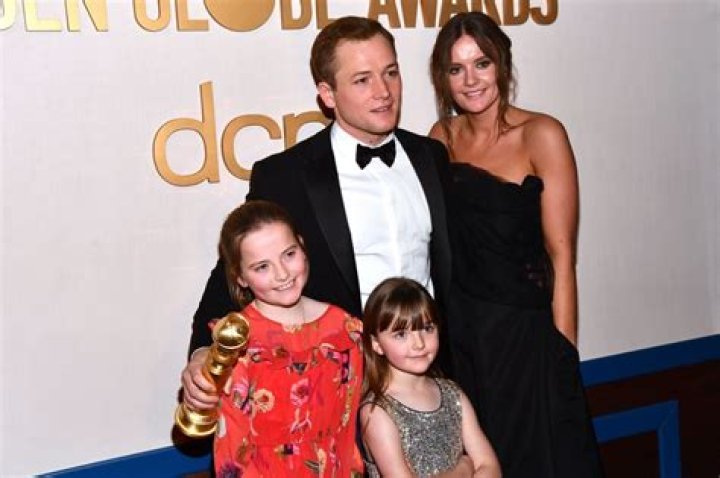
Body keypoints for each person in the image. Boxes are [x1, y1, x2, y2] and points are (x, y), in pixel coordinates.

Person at [182, 16, 452, 414]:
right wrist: (203, 353)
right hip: (338, 387)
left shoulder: (431, 156)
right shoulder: (286, 176)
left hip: (430, 377)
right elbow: (234, 270)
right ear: (328, 94)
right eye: (362, 80)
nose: (383, 92)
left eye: (391, 73)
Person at [428, 12, 604, 478]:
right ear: (443, 77)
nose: (470, 80)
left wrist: (562, 357)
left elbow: (561, 255)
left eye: (481, 63)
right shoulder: (440, 139)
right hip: (463, 338)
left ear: (502, 65)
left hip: (526, 341)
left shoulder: (541, 134)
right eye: (456, 68)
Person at [210, 199, 363, 476]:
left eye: (289, 254)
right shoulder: (238, 341)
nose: (282, 274)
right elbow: (231, 452)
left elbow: (347, 427)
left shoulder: (342, 328)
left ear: (302, 246)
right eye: (262, 267)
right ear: (240, 277)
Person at [360, 277, 501, 478]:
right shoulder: (377, 411)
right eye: (401, 334)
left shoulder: (452, 394)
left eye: (427, 329)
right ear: (376, 344)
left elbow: (490, 466)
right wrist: (463, 469)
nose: (419, 344)